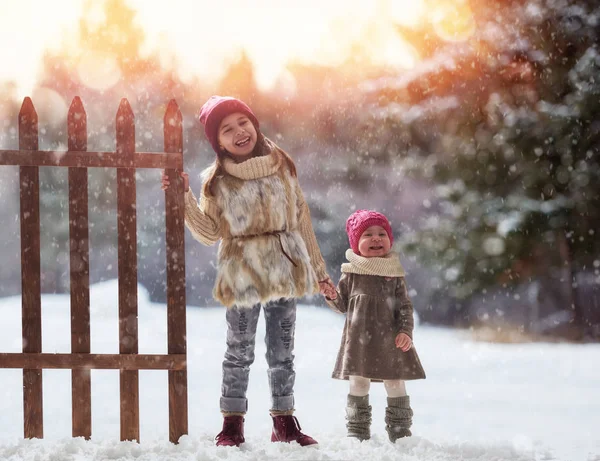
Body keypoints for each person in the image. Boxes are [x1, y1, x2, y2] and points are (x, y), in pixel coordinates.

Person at [161, 95, 337, 447]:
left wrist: (319, 271)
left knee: (282, 349)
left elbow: (301, 218)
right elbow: (210, 233)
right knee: (238, 350)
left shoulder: (282, 165)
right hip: (242, 272)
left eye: (243, 123)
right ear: (218, 142)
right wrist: (184, 199)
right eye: (227, 129)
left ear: (254, 125)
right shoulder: (218, 181)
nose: (239, 132)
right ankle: (232, 424)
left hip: (286, 268)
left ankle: (284, 422)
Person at [325, 209, 426, 443]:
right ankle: (357, 430)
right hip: (359, 340)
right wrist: (331, 295)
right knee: (358, 382)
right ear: (355, 243)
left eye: (382, 233)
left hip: (389, 339)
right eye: (367, 234)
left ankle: (400, 430)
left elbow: (404, 307)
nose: (376, 238)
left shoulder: (394, 273)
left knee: (394, 381)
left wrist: (405, 331)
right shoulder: (350, 273)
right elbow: (341, 304)